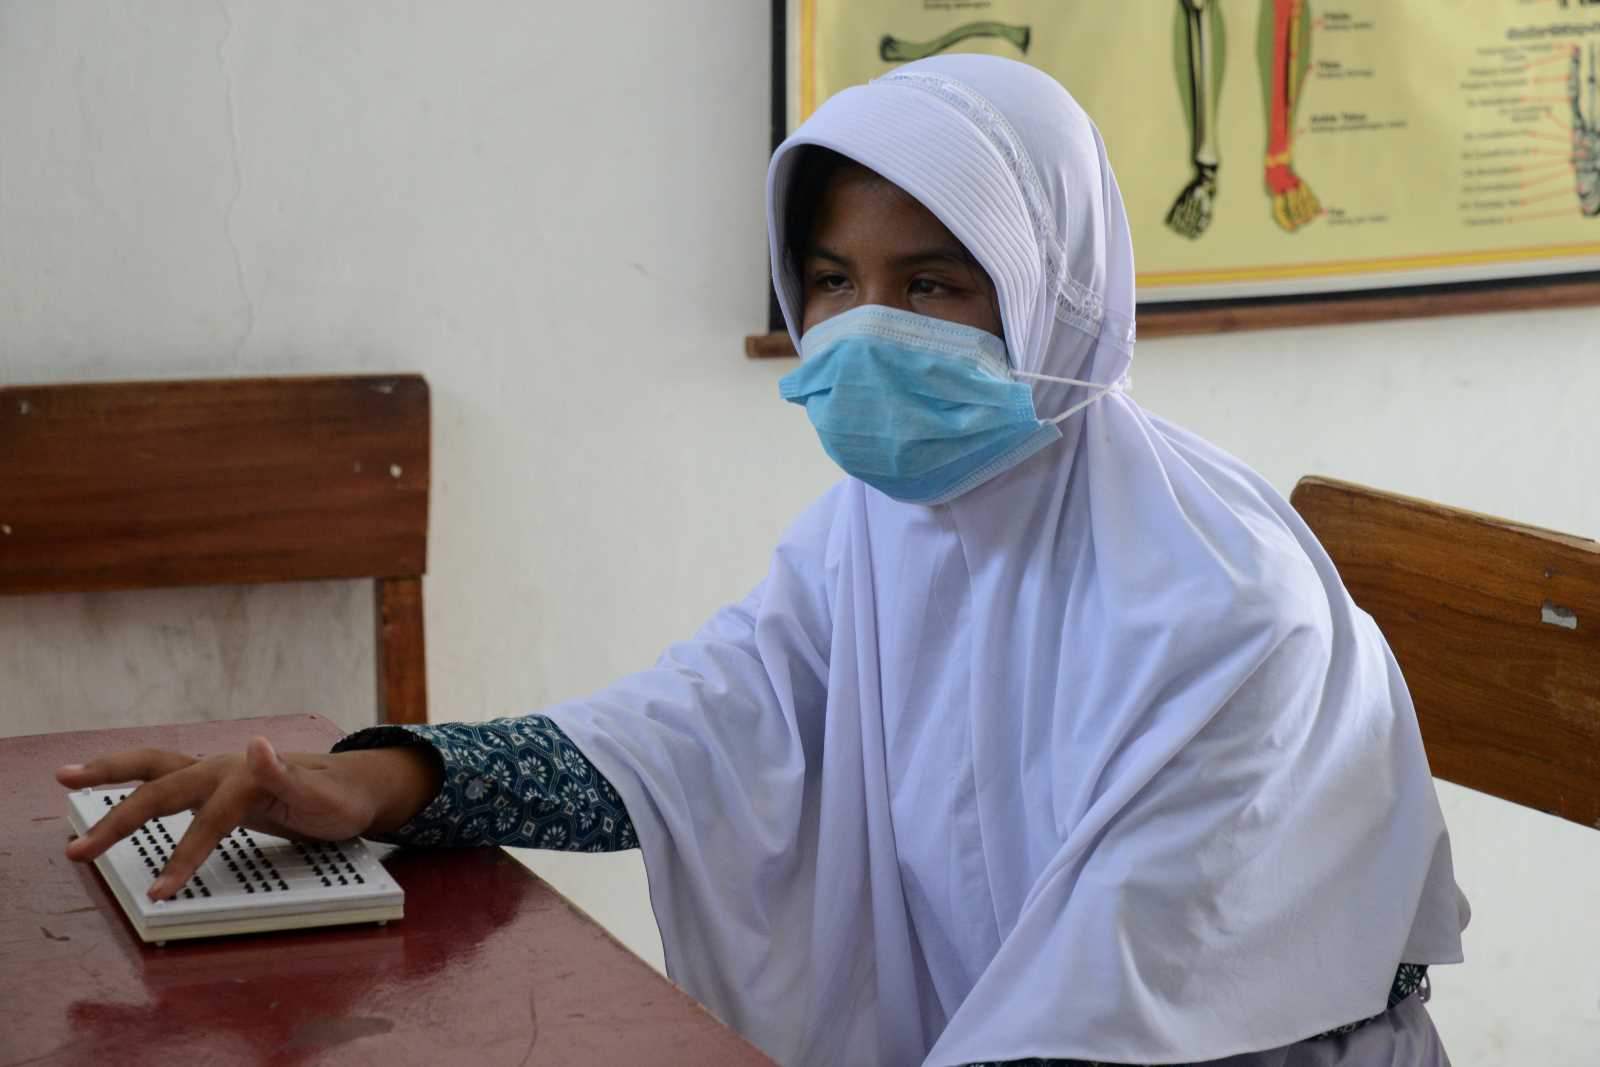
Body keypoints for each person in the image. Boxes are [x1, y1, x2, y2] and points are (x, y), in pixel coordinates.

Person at [57, 55, 1468, 1067]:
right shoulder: (888, 531)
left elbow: (1110, 1020)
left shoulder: (1225, 617)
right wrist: (383, 779)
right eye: (833, 283)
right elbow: (696, 731)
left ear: (1061, 292)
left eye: (932, 283)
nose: (863, 331)